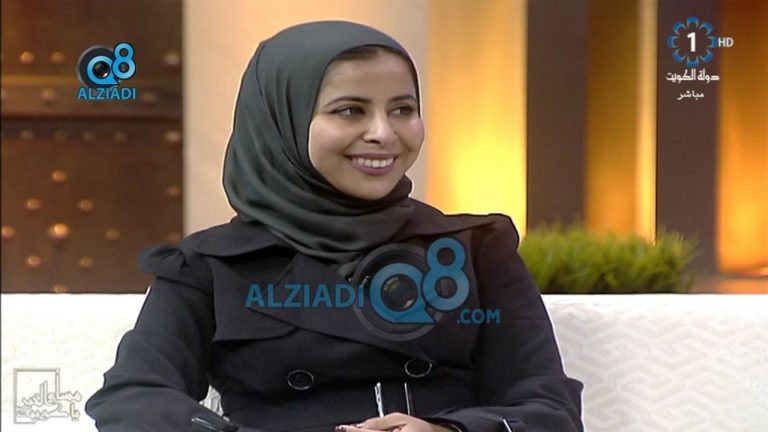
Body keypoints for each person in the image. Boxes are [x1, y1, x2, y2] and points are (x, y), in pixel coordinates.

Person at [86, 21, 583, 432]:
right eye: (350, 111)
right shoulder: (208, 265)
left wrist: (447, 430)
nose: (383, 133)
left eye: (403, 109)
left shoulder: (473, 249)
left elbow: (548, 406)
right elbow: (134, 398)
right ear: (281, 122)